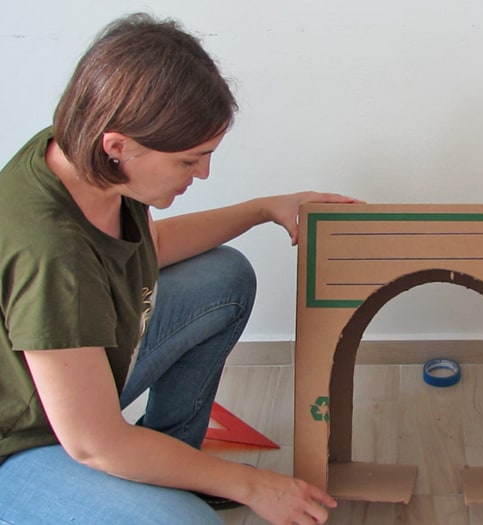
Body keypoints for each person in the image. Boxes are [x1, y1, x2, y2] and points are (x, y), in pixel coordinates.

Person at [0, 12, 361, 525]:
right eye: (189, 160)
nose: (203, 173)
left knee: (224, 278)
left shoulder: (87, 158)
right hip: (24, 438)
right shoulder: (53, 256)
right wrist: (253, 484)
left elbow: (152, 246)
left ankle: (167, 461)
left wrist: (263, 208)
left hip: (75, 384)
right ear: (118, 146)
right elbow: (93, 442)